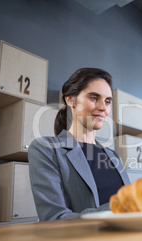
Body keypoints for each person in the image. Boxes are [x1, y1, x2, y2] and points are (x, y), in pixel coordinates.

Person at [28, 68, 130, 221]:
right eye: (94, 98)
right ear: (70, 100)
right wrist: (120, 207)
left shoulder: (113, 155)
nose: (103, 107)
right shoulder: (45, 148)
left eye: (108, 101)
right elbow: (54, 218)